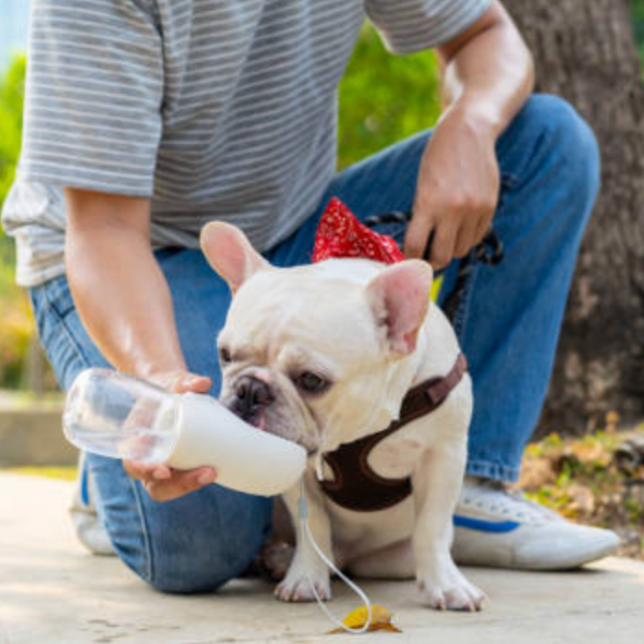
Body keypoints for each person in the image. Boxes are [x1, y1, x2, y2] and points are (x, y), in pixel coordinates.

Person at [2, 0, 619, 592]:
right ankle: (111, 458)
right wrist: (162, 382)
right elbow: (105, 230)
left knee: (545, 141)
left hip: (296, 232)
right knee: (202, 541)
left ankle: (471, 481)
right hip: (130, 249)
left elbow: (487, 37)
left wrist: (470, 122)